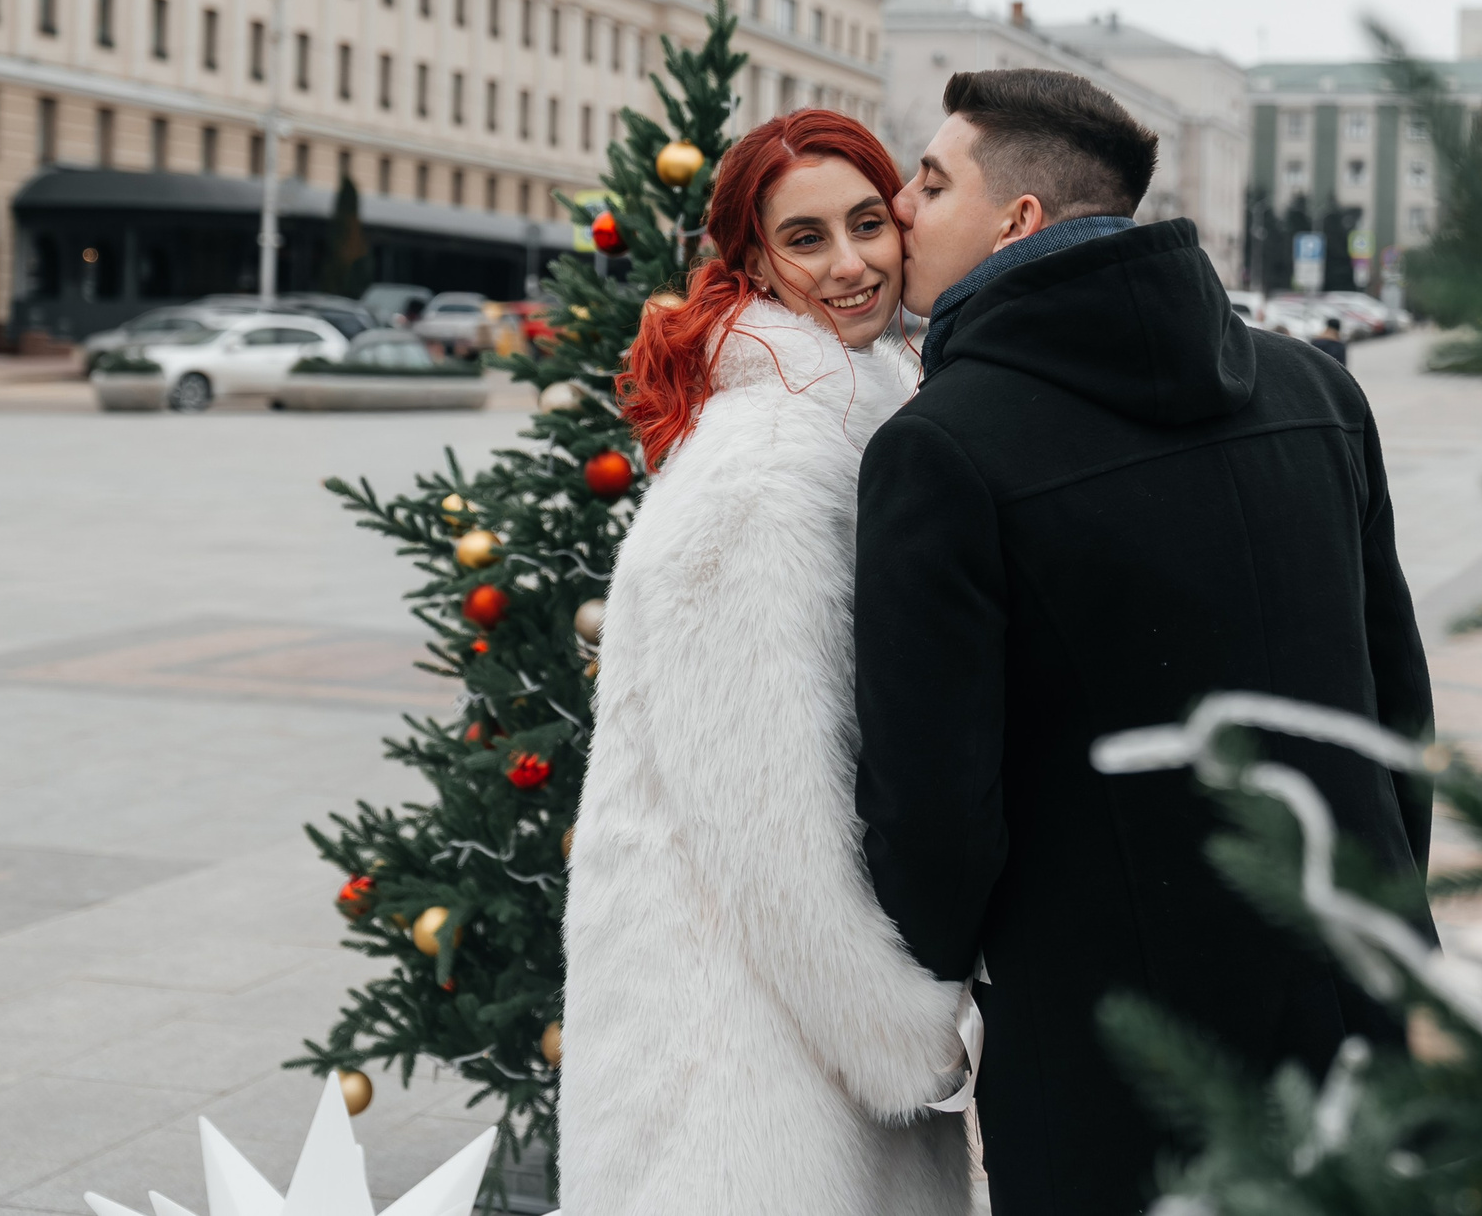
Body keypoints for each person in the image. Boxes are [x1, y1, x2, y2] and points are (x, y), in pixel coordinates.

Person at [853, 69, 1435, 1216]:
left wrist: (929, 992)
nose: (900, 208)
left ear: (1016, 219)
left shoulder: (941, 450)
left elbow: (935, 816)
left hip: (1115, 1067)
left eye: (929, 181)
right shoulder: (1316, 392)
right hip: (1350, 1004)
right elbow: (1394, 715)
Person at [562, 109, 971, 1216]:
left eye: (867, 223)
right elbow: (765, 815)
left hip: (782, 1037)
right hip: (738, 1069)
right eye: (805, 238)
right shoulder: (770, 461)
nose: (850, 264)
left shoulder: (850, 420)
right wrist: (906, 1034)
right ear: (751, 261)